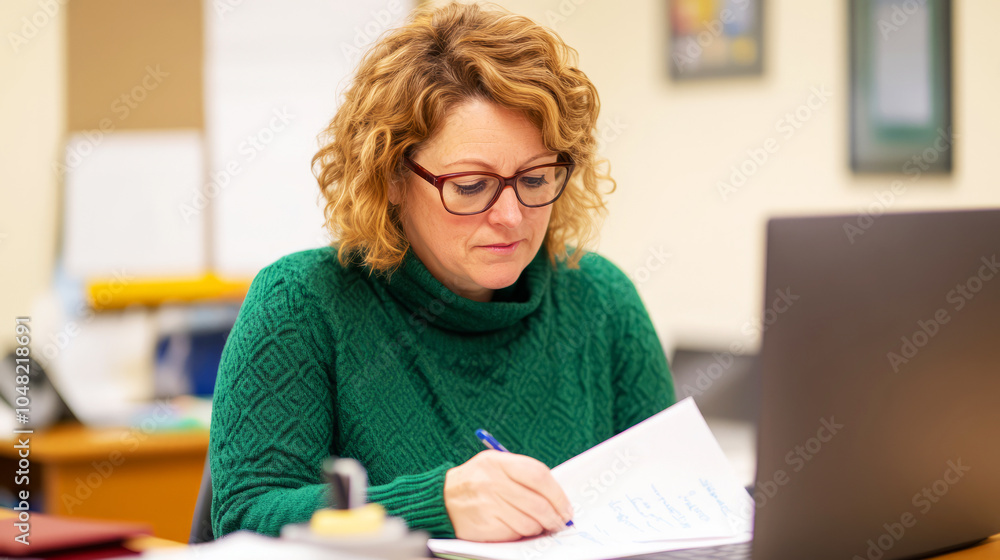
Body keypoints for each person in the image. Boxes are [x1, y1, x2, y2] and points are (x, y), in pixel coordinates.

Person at [209, 1, 675, 543]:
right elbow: (247, 518)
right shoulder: (302, 304)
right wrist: (433, 505)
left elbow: (674, 503)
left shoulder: (602, 299)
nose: (511, 216)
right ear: (389, 178)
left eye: (536, 177)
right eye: (471, 186)